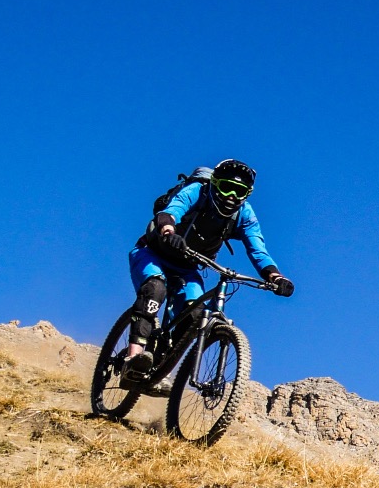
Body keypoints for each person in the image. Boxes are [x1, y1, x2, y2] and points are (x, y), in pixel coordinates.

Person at [121, 158, 294, 378]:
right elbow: (171, 211)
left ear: (247, 194)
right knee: (155, 289)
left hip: (187, 269)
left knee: (195, 315)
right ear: (215, 183)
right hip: (152, 254)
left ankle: (158, 369)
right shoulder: (197, 191)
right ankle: (133, 359)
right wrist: (168, 231)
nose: (232, 196)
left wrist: (276, 277)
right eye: (227, 187)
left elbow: (258, 250)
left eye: (239, 191)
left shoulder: (244, 214)